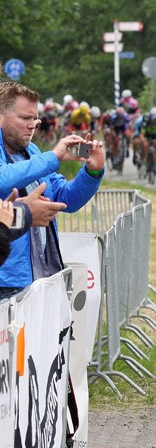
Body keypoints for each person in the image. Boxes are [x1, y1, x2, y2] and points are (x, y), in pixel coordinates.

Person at [0, 81, 105, 298]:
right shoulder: (42, 158)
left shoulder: (32, 151)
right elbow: (3, 179)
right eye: (24, 118)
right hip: (8, 281)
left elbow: (66, 198)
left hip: (42, 274)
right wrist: (52, 157)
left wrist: (92, 172)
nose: (33, 125)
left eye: (35, 119)